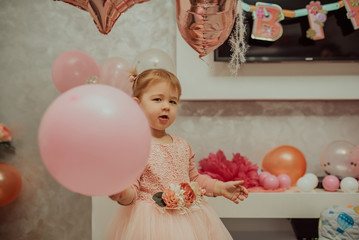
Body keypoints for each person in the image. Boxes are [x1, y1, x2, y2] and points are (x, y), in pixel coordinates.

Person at [103, 68, 248, 240]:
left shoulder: (182, 145)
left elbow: (194, 180)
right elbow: (132, 189)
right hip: (152, 224)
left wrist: (219, 187)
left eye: (173, 101)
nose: (166, 106)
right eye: (157, 99)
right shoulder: (136, 146)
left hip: (188, 220)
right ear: (136, 104)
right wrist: (122, 193)